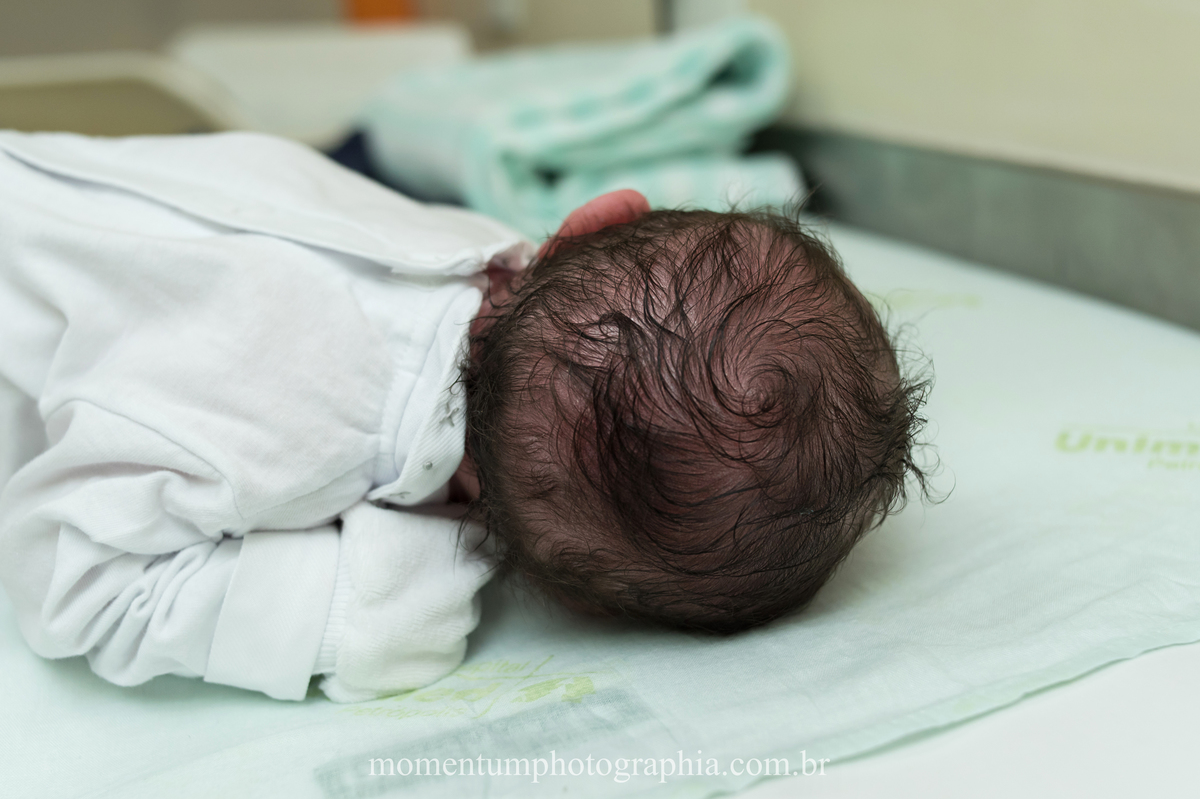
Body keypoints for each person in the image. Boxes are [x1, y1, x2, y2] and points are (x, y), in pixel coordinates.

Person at [0, 130, 926, 702]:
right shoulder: (286, 433)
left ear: (590, 221)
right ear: (569, 596)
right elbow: (73, 589)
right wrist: (367, 611)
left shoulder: (451, 251)